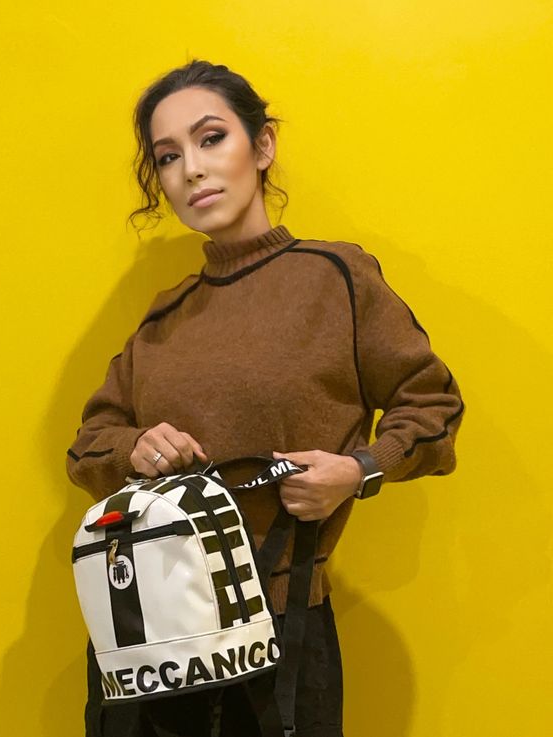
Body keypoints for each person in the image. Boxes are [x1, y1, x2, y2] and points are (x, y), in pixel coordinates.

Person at [66, 59, 465, 737]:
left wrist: (358, 471)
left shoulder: (335, 277)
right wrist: (137, 446)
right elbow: (88, 446)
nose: (192, 170)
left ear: (263, 145)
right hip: (151, 642)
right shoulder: (164, 316)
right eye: (168, 156)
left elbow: (433, 407)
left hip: (283, 633)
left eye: (211, 138)